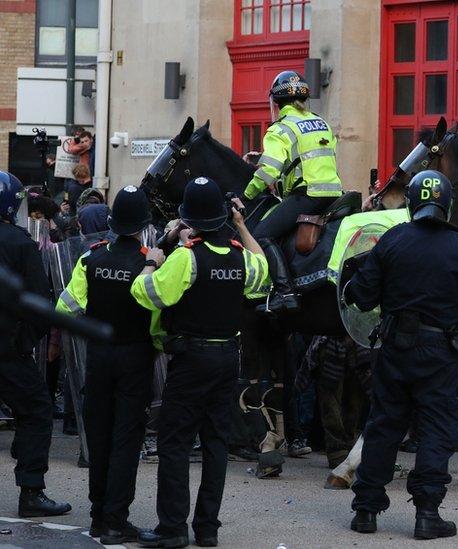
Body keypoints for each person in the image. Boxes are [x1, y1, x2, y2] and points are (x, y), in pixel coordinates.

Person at [344, 170, 458, 540]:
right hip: (438, 352)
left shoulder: (391, 240)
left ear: (411, 204)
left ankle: (366, 510)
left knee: (384, 425)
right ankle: (426, 513)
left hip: (393, 348)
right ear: (447, 205)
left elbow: (360, 296)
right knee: (437, 429)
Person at [132, 177, 268, 548]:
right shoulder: (241, 255)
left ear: (189, 219)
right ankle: (207, 529)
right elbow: (263, 268)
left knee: (175, 443)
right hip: (228, 358)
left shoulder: (186, 256)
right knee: (216, 444)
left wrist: (152, 262)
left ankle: (173, 529)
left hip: (192, 360)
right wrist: (241, 224)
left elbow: (147, 295)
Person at [56, 186, 155, 543]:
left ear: (113, 224)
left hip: (99, 357)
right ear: (144, 226)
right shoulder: (148, 264)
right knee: (126, 440)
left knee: (98, 438)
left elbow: (64, 309)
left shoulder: (90, 259)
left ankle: (99, 516)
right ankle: (116, 519)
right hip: (135, 357)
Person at [0, 170, 72, 518]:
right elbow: (42, 303)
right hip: (9, 353)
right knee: (37, 411)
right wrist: (24, 341)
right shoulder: (19, 243)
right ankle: (31, 491)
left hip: (10, 347)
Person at [244, 70, 343, 315]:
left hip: (307, 194)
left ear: (275, 103)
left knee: (262, 234)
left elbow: (269, 171)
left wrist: (247, 193)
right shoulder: (321, 122)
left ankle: (285, 292)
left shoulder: (280, 129)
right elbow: (309, 158)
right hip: (334, 194)